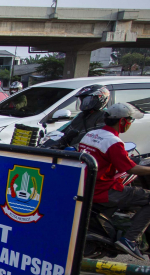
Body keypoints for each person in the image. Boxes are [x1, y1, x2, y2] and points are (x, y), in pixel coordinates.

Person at [79, 102, 150, 260]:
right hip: (104, 191)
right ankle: (130, 240)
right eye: (130, 121)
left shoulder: (90, 135)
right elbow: (130, 169)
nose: (130, 124)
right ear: (123, 121)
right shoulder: (114, 142)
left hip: (86, 186)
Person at [45, 84, 110, 150]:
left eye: (87, 100)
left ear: (100, 99)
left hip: (88, 155)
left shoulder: (104, 117)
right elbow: (65, 135)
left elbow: (96, 140)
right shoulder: (81, 116)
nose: (84, 103)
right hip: (73, 154)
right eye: (82, 100)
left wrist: (76, 147)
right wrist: (53, 144)